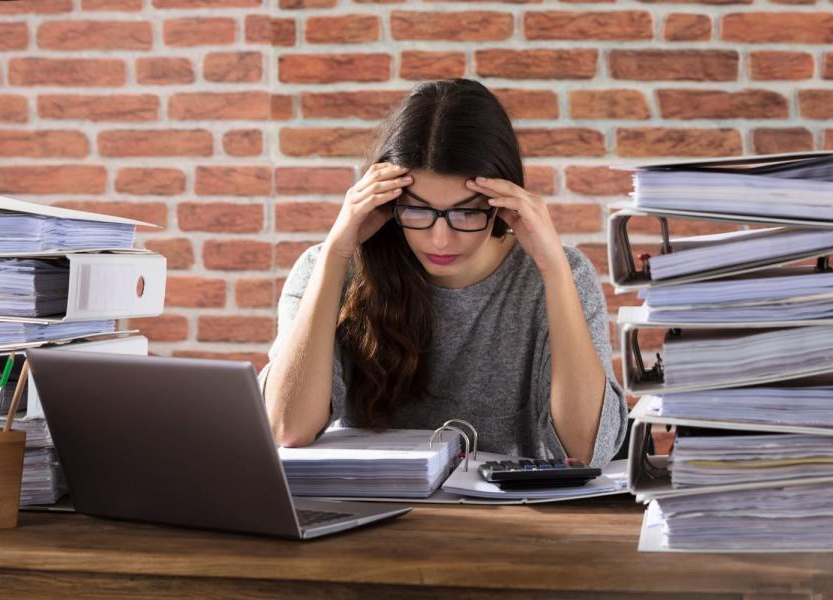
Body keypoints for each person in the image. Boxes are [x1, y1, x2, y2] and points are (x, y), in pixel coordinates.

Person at [258, 78, 627, 468]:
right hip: (365, 516)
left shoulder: (558, 275)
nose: (439, 239)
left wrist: (553, 268)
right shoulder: (326, 268)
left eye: (466, 212)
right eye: (417, 210)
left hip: (511, 524)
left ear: (503, 203)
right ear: (385, 203)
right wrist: (336, 254)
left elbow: (587, 450)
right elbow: (288, 428)